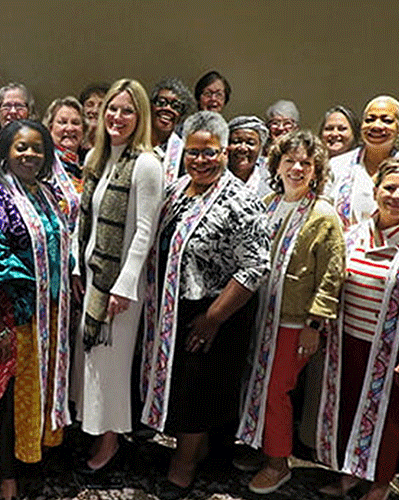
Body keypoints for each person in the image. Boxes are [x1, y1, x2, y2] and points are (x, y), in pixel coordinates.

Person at [140, 111, 270, 499]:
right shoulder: (178, 189)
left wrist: (213, 318)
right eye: (193, 152)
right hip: (174, 308)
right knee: (181, 387)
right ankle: (194, 451)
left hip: (214, 312)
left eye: (209, 152)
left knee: (195, 392)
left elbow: (256, 266)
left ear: (225, 152)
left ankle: (184, 465)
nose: (200, 160)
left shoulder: (240, 200)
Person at [316, 156, 399, 500]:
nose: (396, 196)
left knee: (389, 420)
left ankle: (379, 484)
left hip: (397, 352)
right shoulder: (354, 235)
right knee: (348, 410)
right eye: (389, 188)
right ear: (375, 190)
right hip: (349, 342)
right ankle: (349, 475)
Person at [0, 120, 72, 500]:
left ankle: (28, 463)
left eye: (38, 148)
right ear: (4, 152)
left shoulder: (46, 193)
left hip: (45, 317)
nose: (30, 154)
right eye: (21, 147)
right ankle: (6, 476)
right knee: (4, 398)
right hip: (9, 317)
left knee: (33, 393)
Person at [235, 130, 344, 494]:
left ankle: (278, 463)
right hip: (259, 314)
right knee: (255, 382)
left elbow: (332, 275)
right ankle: (260, 444)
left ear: (316, 170)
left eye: (306, 163)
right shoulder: (268, 203)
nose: (297, 168)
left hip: (293, 321)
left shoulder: (323, 215)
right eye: (290, 161)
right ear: (277, 166)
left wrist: (314, 324)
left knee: (276, 391)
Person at [72, 78, 163, 475]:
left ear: (140, 117)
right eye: (113, 108)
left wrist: (124, 286)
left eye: (128, 111)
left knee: (110, 368)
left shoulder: (146, 164)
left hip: (121, 288)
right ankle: (96, 431)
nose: (118, 117)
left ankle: (110, 443)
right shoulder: (100, 157)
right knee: (93, 362)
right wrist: (79, 267)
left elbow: (144, 232)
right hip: (96, 280)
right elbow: (87, 222)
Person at [326, 95, 399, 230]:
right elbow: (322, 217)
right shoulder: (336, 166)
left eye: (387, 120)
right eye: (369, 120)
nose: (376, 126)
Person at [42, 96, 85, 225]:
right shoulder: (42, 165)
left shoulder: (89, 167)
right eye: (62, 122)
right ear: (50, 128)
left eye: (76, 123)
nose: (70, 128)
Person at [150, 78, 196, 185]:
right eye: (161, 102)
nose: (168, 108)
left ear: (181, 117)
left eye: (176, 106)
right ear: (151, 107)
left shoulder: (184, 153)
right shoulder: (134, 139)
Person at [226, 115, 273, 198]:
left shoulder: (271, 180)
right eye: (236, 142)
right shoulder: (212, 177)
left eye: (250, 143)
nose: (243, 148)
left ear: (260, 148)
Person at [78, 83, 109, 153]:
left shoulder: (113, 144)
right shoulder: (74, 142)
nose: (95, 111)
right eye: (90, 105)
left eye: (101, 106)